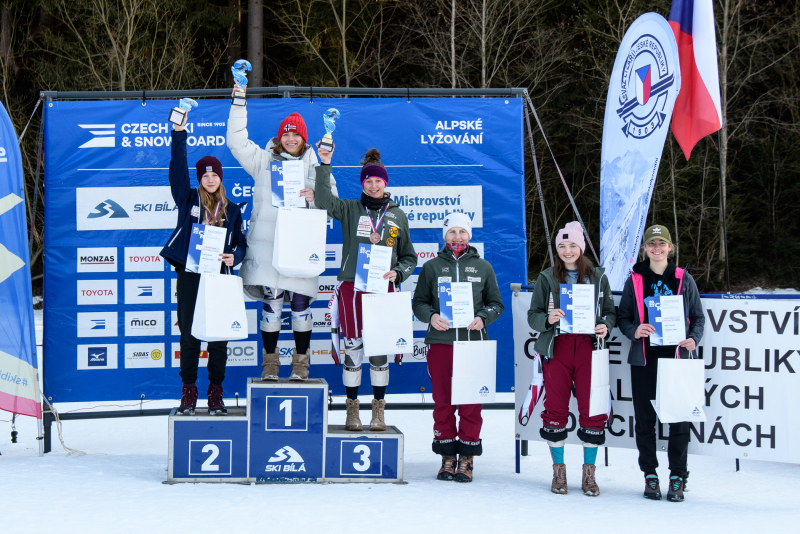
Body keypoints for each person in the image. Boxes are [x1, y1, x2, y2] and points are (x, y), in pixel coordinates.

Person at [227, 84, 339, 381]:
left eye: (296, 135)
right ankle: (270, 364)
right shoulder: (263, 161)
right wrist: (239, 102)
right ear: (280, 138)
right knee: (272, 303)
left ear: (304, 139)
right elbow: (236, 142)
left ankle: (300, 364)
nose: (291, 139)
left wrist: (314, 197)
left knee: (301, 305)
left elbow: (332, 205)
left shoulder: (315, 166)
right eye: (286, 134)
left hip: (301, 248)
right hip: (268, 248)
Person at [314, 146, 417, 431]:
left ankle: (378, 411)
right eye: (368, 181)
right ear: (362, 184)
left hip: (383, 290)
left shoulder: (398, 216)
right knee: (353, 348)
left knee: (379, 351)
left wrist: (399, 272)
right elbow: (323, 200)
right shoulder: (350, 209)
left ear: (386, 183)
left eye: (378, 181)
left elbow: (409, 257)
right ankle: (352, 410)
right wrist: (325, 164)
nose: (373, 186)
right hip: (353, 288)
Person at [160, 112, 247, 416]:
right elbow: (176, 171)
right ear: (199, 179)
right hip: (191, 275)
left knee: (219, 336)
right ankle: (188, 391)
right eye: (205, 176)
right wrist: (179, 134)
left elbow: (241, 243)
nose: (210, 179)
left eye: (214, 175)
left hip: (220, 277)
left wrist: (235, 256)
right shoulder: (188, 200)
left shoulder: (232, 209)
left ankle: (215, 391)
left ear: (221, 178)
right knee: (189, 335)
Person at [412, 213, 504, 483]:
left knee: (471, 402)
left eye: (462, 231)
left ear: (470, 235)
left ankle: (467, 457)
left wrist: (483, 317)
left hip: (473, 344)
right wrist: (431, 316)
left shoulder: (483, 267)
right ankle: (447, 457)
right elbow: (419, 303)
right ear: (444, 235)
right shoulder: (431, 267)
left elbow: (496, 304)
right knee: (443, 401)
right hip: (441, 343)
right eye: (452, 231)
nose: (457, 236)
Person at [526, 221, 616, 496]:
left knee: (593, 410)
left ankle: (589, 474)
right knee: (555, 409)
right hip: (558, 348)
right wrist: (548, 318)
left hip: (589, 348)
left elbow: (610, 312)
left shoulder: (598, 276)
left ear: (582, 247)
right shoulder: (547, 277)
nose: (567, 251)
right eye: (562, 246)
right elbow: (533, 316)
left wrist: (605, 326)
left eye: (573, 245)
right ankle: (559, 472)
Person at [617, 224, 705, 502]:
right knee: (645, 421)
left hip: (676, 358)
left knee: (679, 420)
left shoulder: (683, 278)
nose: (657, 248)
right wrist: (635, 330)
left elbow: (698, 317)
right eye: (652, 244)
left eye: (662, 243)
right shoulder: (634, 280)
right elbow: (623, 318)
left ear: (670, 247)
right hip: (644, 359)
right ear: (645, 248)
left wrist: (693, 338)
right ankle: (650, 475)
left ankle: (678, 476)